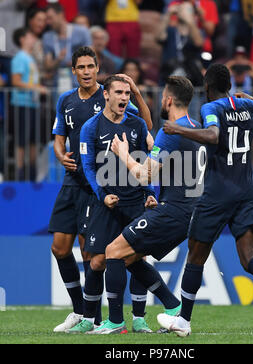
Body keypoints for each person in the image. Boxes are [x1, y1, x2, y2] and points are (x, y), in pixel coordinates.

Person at [156, 63, 253, 337]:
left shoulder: (211, 109)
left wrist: (177, 130)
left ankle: (183, 321)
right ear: (230, 85)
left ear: (206, 87)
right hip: (248, 191)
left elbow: (212, 135)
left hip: (218, 193)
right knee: (249, 257)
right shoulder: (250, 107)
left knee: (195, 255)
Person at [49, 47, 153, 332]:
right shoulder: (66, 101)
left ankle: (110, 317)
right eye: (80, 67)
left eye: (90, 67)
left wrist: (138, 93)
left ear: (97, 69)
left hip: (104, 186)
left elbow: (144, 127)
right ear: (73, 70)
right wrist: (60, 155)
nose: (85, 71)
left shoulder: (111, 94)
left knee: (99, 255)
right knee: (60, 248)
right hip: (76, 182)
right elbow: (59, 137)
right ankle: (80, 311)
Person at [92, 76, 203, 335]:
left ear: (168, 100)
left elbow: (145, 175)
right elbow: (177, 170)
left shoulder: (172, 130)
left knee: (112, 251)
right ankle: (174, 307)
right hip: (191, 211)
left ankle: (116, 322)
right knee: (129, 258)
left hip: (173, 211)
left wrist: (123, 153)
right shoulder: (196, 127)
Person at [11, 27, 48, 181]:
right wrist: (37, 88)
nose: (34, 39)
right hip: (22, 104)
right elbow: (16, 81)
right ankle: (20, 173)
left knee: (33, 139)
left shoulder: (30, 58)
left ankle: (31, 173)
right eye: (30, 36)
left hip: (33, 104)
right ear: (22, 39)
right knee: (21, 140)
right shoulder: (19, 58)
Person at [42, 3, 92, 92]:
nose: (48, 22)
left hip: (81, 84)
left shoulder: (82, 32)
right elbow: (48, 66)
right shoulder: (47, 37)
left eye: (50, 18)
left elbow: (92, 57)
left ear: (60, 14)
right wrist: (58, 60)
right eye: (47, 19)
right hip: (58, 86)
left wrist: (76, 62)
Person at [156, 0, 204, 87]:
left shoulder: (194, 32)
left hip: (191, 80)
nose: (185, 12)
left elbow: (199, 43)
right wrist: (168, 14)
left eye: (188, 10)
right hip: (169, 77)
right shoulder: (171, 30)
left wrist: (190, 21)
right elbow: (159, 37)